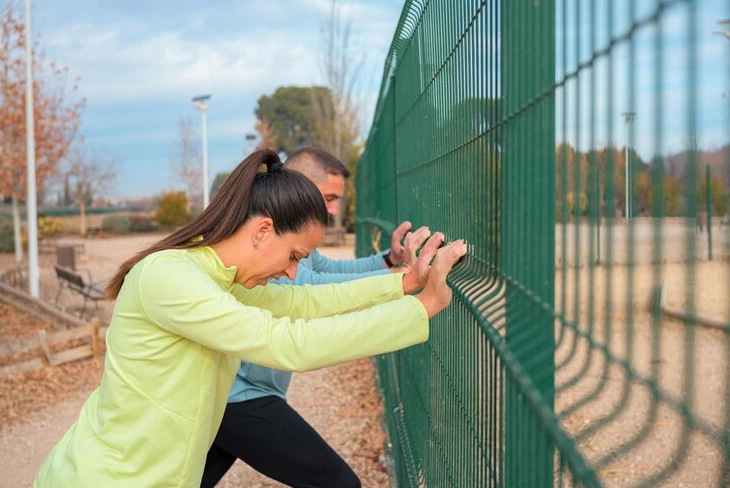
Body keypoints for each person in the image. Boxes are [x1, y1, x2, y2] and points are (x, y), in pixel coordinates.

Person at [34, 149, 465, 488]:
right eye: (295, 255)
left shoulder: (218, 277)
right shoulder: (171, 277)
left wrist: (403, 284)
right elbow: (289, 343)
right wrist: (424, 306)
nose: (295, 271)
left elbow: (302, 304)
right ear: (262, 231)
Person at [201, 147, 429, 488]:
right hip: (243, 395)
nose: (335, 209)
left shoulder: (285, 241)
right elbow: (308, 292)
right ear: (297, 187)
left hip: (236, 393)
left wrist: (387, 264)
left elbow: (323, 273)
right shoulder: (262, 250)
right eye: (329, 197)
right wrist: (407, 287)